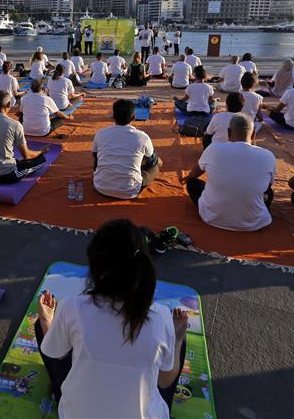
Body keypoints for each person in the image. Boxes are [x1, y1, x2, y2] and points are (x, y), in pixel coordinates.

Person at [34, 219, 188, 417]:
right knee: (176, 340)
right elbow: (165, 381)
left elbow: (55, 353)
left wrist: (47, 320)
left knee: (43, 327)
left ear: (95, 266)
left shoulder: (72, 306)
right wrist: (178, 338)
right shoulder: (161, 317)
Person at [182, 114, 276, 231]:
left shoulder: (213, 148)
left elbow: (194, 174)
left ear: (229, 132)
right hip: (254, 222)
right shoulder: (268, 156)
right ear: (253, 135)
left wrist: (189, 178)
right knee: (269, 193)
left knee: (192, 183)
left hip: (212, 217)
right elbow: (267, 186)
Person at [0, 91, 48, 183]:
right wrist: (40, 152)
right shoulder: (15, 125)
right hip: (7, 175)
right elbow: (26, 155)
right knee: (41, 160)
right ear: (8, 104)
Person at [92, 99, 161, 199]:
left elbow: (96, 157)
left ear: (114, 117)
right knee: (155, 167)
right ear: (133, 117)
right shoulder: (142, 137)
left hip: (101, 186)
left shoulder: (101, 133)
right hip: (130, 190)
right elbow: (152, 162)